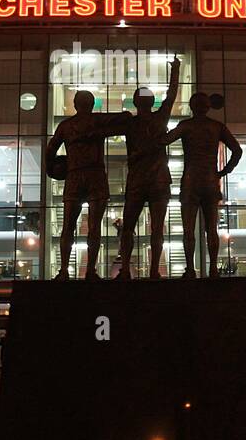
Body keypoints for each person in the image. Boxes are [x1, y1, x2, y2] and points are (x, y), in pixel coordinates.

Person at [46, 90, 128, 280]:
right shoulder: (96, 121)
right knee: (93, 227)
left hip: (77, 175)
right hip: (94, 175)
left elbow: (50, 150)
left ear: (75, 104)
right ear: (91, 105)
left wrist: (53, 169)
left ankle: (65, 270)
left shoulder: (66, 125)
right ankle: (89, 271)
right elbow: (122, 119)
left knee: (68, 226)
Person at [161, 92, 243, 278]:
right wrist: (224, 171)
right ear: (208, 107)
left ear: (191, 106)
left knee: (188, 228)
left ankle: (190, 269)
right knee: (211, 228)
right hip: (210, 179)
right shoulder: (217, 127)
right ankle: (213, 268)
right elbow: (237, 150)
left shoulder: (186, 126)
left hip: (191, 180)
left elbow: (164, 140)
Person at [116, 58, 181, 279]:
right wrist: (175, 71)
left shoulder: (129, 123)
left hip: (139, 179)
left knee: (128, 227)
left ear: (135, 102)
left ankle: (126, 269)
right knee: (156, 228)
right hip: (157, 179)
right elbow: (171, 95)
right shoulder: (159, 117)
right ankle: (153, 271)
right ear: (152, 102)